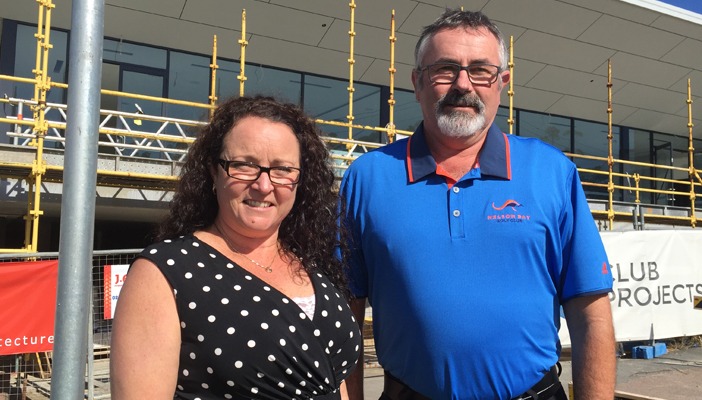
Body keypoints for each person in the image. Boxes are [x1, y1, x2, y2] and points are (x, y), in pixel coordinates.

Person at [341, 9, 615, 400]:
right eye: (444, 69)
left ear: (502, 82)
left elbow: (591, 310)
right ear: (417, 82)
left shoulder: (551, 171)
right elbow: (344, 315)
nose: (462, 84)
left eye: (481, 70)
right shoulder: (368, 178)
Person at [111, 95, 361, 400]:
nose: (264, 185)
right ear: (213, 171)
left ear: (300, 181)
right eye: (244, 165)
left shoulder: (313, 262)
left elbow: (335, 379)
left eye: (283, 169)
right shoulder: (165, 272)